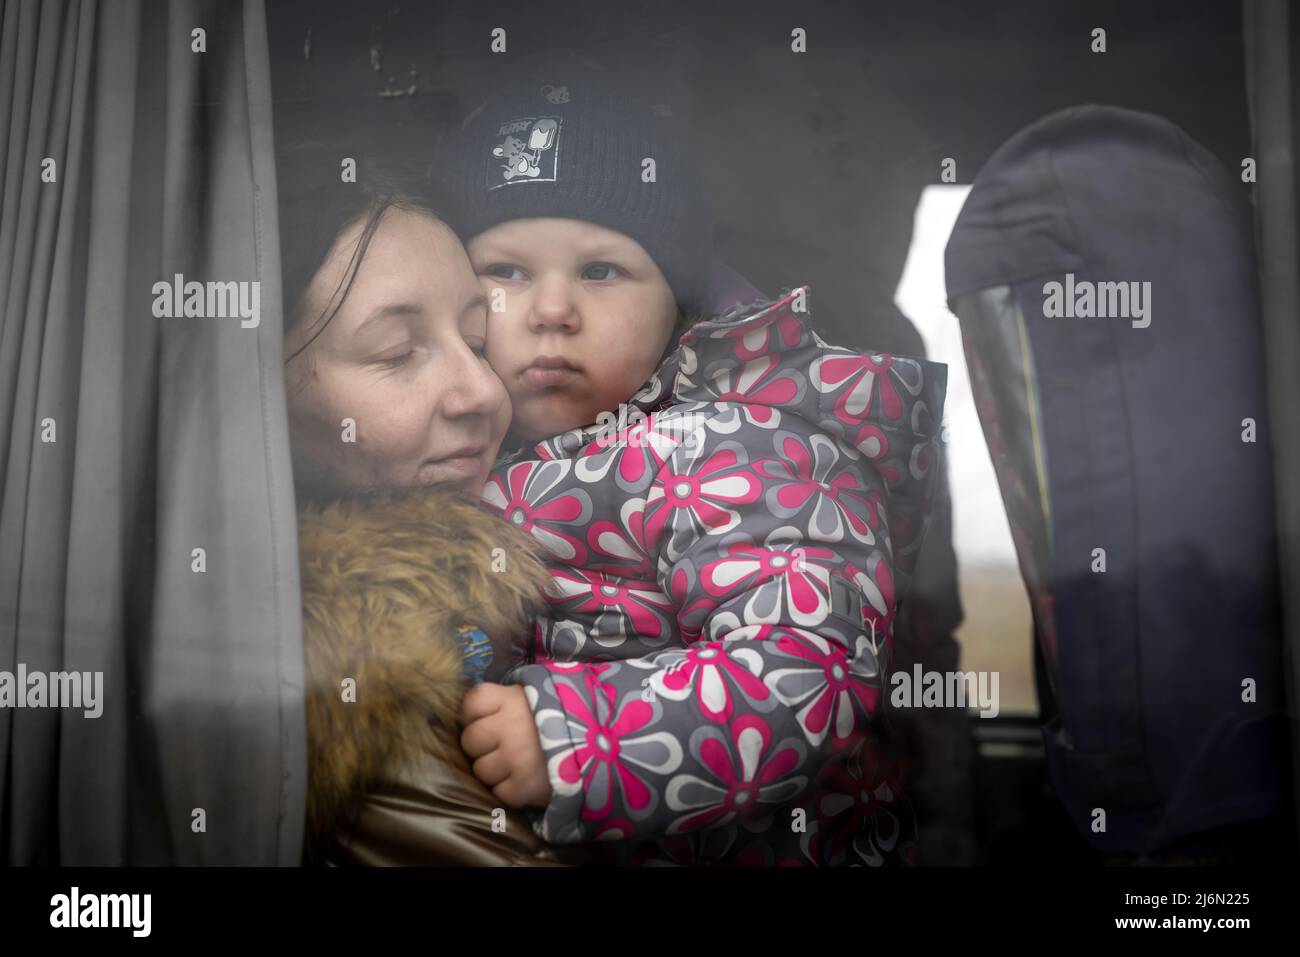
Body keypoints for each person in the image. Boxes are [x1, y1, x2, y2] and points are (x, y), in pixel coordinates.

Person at [435, 68, 948, 865]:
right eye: (505, 271)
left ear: (678, 300)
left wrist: (579, 740)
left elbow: (804, 671)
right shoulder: (461, 451)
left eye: (603, 270)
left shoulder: (744, 446)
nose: (552, 309)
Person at [279, 169, 589, 865]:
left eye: (480, 340)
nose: (481, 390)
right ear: (253, 384)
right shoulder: (359, 681)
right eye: (398, 353)